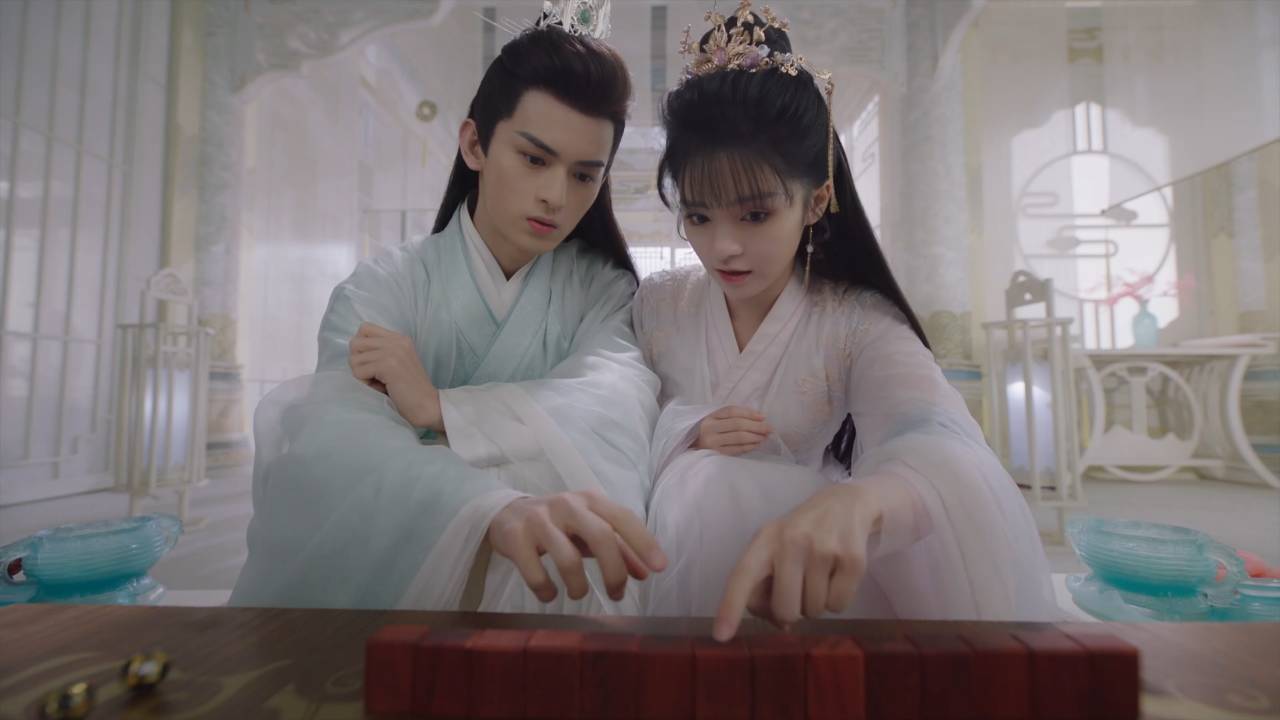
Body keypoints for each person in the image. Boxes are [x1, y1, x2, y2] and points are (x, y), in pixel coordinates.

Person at [634, 1, 1059, 640]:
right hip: (666, 563)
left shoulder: (855, 323)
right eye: (698, 216)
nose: (723, 246)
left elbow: (937, 436)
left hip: (808, 566)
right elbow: (609, 428)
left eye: (754, 215)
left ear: (816, 202)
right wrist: (684, 433)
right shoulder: (658, 304)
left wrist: (863, 500)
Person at [231, 7, 666, 614]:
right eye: (534, 159)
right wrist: (488, 509)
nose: (555, 195)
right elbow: (337, 443)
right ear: (475, 144)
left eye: (584, 176)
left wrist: (441, 411)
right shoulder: (383, 288)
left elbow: (614, 407)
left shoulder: (603, 291)